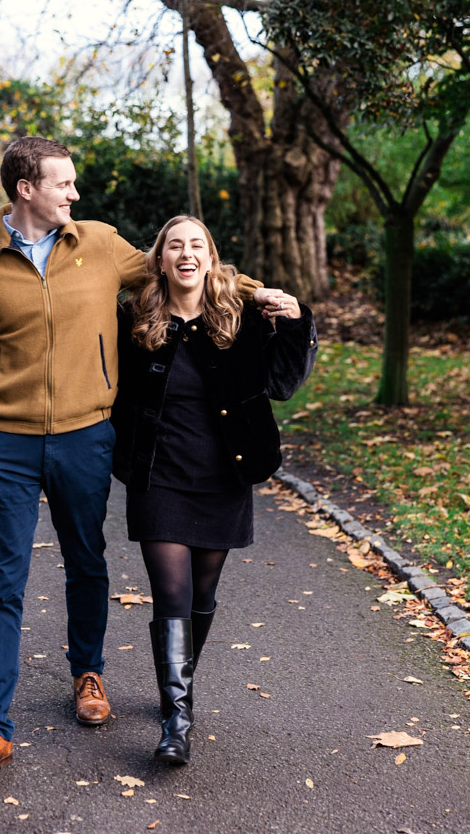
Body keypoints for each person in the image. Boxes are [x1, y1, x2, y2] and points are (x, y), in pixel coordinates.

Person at [0, 137, 282, 786]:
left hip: (85, 436)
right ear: (25, 189)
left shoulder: (95, 243)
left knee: (85, 560)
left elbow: (181, 268)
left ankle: (87, 672)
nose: (74, 194)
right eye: (62, 184)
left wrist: (263, 295)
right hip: (4, 445)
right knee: (1, 582)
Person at [111, 215, 318, 765]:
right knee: (172, 595)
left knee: (202, 597)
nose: (185, 253)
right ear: (159, 259)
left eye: (195, 245)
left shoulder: (241, 317)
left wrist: (297, 324)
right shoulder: (134, 320)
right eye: (174, 244)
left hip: (223, 475)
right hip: (159, 477)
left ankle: (179, 688)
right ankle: (176, 718)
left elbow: (282, 383)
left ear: (210, 257)